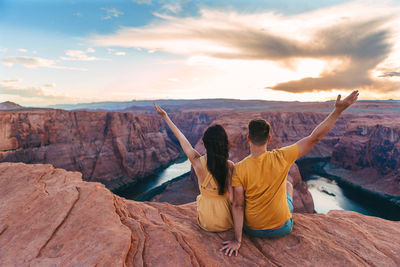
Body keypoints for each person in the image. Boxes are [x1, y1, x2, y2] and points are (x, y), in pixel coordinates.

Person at [220, 90, 359, 256]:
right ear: (269, 139)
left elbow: (238, 205)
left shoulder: (239, 168)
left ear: (248, 138)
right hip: (282, 228)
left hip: (252, 229)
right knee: (287, 184)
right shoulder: (282, 157)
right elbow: (315, 137)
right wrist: (338, 111)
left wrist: (237, 240)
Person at [154, 102, 234, 232]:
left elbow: (182, 139)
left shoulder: (197, 162)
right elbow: (232, 199)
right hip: (225, 222)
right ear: (224, 143)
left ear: (205, 143)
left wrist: (165, 116)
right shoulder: (229, 166)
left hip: (206, 222)